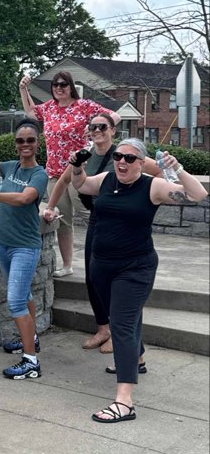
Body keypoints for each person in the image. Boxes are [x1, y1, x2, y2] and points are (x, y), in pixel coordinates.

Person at [70, 139, 207, 423]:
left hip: (135, 267)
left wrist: (177, 168)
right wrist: (77, 167)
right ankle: (138, 359)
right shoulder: (107, 179)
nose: (122, 162)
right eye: (119, 156)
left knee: (121, 324)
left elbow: (197, 194)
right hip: (102, 266)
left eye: (130, 159)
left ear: (142, 163)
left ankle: (124, 401)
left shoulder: (151, 186)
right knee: (123, 317)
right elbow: (82, 185)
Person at [43, 113, 159, 354]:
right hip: (98, 219)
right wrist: (51, 207)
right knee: (94, 278)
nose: (97, 130)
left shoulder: (125, 153)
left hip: (125, 225)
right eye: (93, 126)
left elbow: (157, 173)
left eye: (103, 127)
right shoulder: (85, 155)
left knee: (123, 284)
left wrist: (142, 199)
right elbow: (65, 180)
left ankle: (119, 333)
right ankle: (103, 328)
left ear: (112, 130)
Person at [19, 69, 120, 276]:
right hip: (54, 172)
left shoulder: (83, 106)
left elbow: (114, 116)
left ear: (71, 86)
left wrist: (93, 129)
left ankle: (109, 259)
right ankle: (67, 265)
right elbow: (31, 112)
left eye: (63, 84)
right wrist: (23, 89)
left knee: (91, 214)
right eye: (55, 85)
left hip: (78, 171)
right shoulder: (49, 108)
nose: (59, 88)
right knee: (62, 221)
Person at [0, 115, 48, 379]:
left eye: (30, 140)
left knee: (16, 301)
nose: (24, 144)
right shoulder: (12, 167)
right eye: (20, 140)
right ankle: (32, 339)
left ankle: (30, 362)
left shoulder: (38, 174)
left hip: (24, 247)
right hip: (5, 244)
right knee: (24, 295)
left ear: (37, 143)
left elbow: (23, 198)